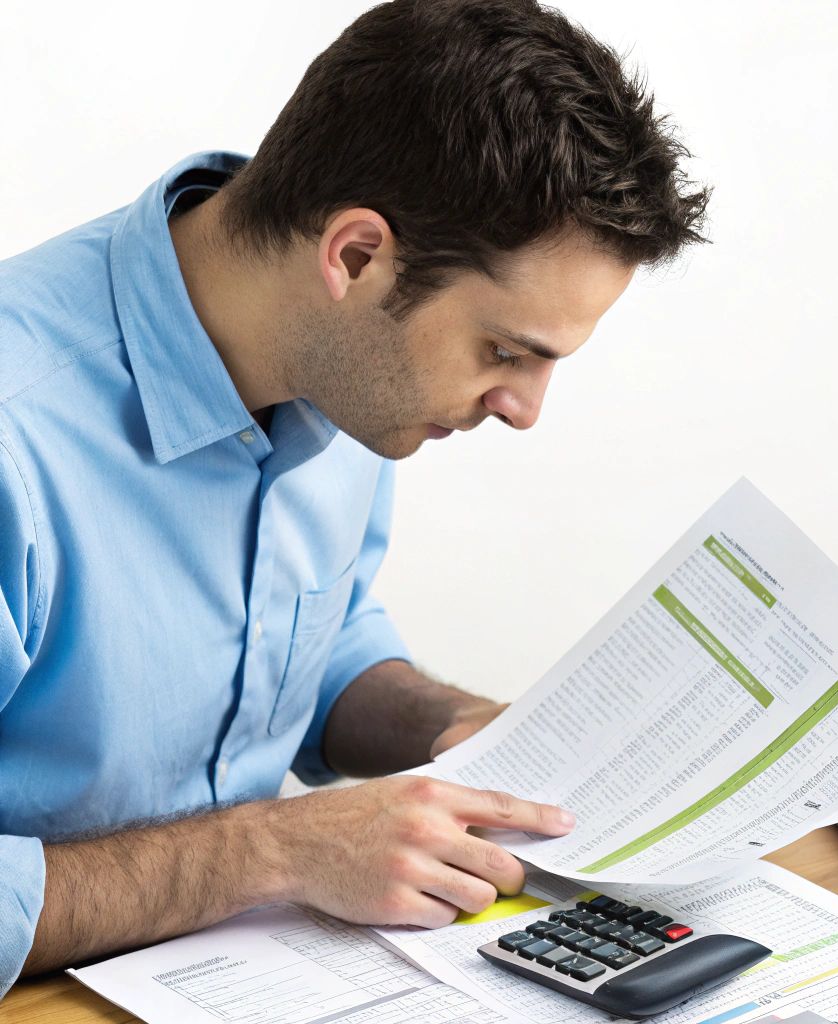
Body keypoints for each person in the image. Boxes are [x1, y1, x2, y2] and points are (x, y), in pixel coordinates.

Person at [0, 0, 707, 992]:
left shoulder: (343, 373)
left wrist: (452, 728)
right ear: (357, 256)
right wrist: (271, 850)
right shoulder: (15, 441)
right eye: (504, 350)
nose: (522, 409)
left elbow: (302, 644)